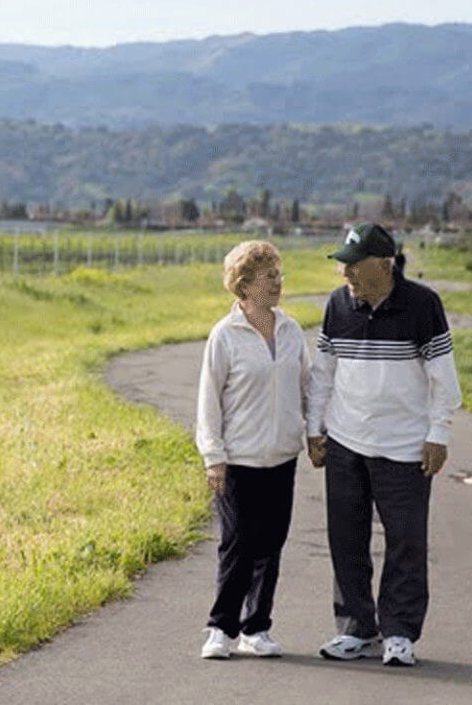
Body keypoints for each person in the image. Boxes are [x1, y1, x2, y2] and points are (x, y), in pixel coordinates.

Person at [306, 223, 461, 667]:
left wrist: (439, 433)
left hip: (405, 446)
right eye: (343, 264)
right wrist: (315, 430)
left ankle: (399, 632)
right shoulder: (338, 305)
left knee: (406, 541)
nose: (345, 273)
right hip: (346, 442)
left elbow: (443, 380)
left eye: (353, 265)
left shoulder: (423, 305)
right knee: (346, 539)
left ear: (383, 264)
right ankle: (357, 628)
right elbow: (323, 374)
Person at [195, 240, 311, 660]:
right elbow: (209, 401)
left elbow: (308, 388)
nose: (278, 283)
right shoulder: (225, 336)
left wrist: (314, 434)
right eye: (269, 277)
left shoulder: (291, 330)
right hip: (238, 460)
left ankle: (256, 627)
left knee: (271, 543)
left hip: (282, 456)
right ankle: (221, 629)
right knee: (238, 543)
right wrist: (214, 455)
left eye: (279, 275)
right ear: (244, 285)